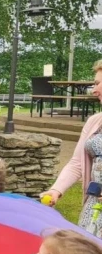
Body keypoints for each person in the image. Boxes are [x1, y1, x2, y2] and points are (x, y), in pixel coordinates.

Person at [40, 60, 102, 234]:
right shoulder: (94, 122)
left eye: (97, 83)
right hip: (94, 205)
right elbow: (76, 164)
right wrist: (56, 190)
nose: (94, 90)